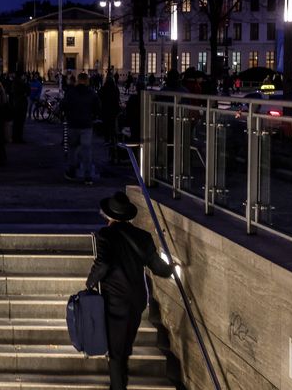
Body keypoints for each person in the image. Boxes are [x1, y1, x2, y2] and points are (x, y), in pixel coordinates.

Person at [86, 192, 174, 390]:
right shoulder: (143, 237)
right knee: (124, 345)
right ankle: (120, 381)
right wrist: (172, 269)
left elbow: (103, 264)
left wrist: (89, 283)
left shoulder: (105, 235)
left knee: (116, 351)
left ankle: (118, 386)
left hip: (115, 300)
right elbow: (157, 267)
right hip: (137, 300)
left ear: (109, 215)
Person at [60, 72, 100, 184]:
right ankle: (88, 176)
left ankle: (72, 172)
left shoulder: (71, 92)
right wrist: (93, 116)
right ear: (87, 81)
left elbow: (63, 105)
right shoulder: (91, 93)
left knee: (72, 149)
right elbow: (97, 108)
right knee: (86, 150)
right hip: (86, 125)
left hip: (73, 124)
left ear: (78, 80)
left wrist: (67, 115)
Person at [99, 76, 121, 164]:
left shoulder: (103, 88)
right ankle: (112, 139)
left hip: (105, 110)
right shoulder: (115, 88)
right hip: (114, 110)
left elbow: (100, 97)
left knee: (106, 124)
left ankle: (107, 138)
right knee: (112, 125)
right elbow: (117, 98)